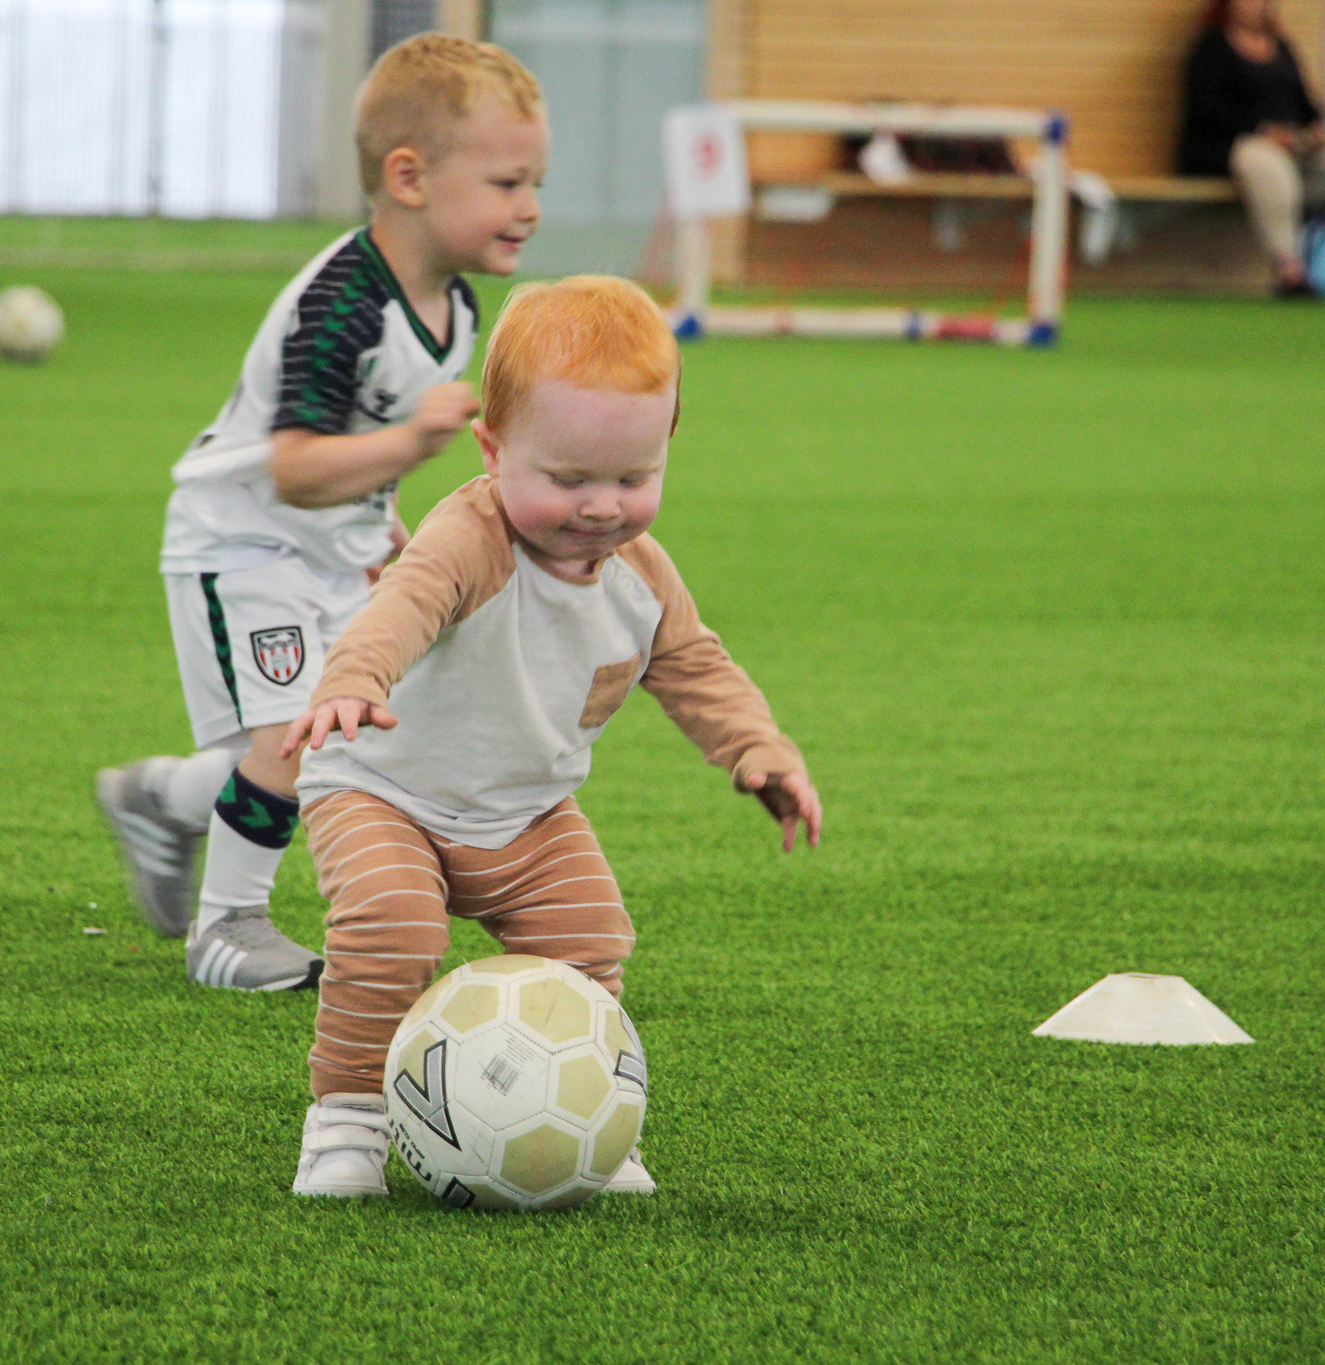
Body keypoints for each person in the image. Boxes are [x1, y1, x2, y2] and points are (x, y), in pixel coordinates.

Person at [278, 277, 824, 1198]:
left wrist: (759, 751)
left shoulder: (641, 575)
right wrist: (355, 681)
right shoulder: (470, 538)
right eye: (568, 480)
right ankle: (348, 1117)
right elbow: (403, 606)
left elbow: (694, 665)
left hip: (526, 812)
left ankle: (590, 1118)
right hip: (383, 790)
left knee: (589, 934)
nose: (601, 506)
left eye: (633, 478)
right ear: (494, 450)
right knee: (392, 924)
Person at [94, 35, 547, 994]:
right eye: (508, 183)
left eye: (534, 183)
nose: (531, 207)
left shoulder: (456, 307)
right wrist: (412, 444)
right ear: (409, 178)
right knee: (297, 737)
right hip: (243, 538)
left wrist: (385, 532)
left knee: (329, 740)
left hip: (325, 546)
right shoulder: (343, 304)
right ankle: (227, 929)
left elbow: (355, 452)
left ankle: (158, 799)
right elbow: (297, 467)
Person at [1177, 0, 1325, 296]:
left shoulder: (1281, 46)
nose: (1256, 5)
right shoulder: (1211, 48)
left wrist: (1314, 130)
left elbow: (1305, 106)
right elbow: (1207, 111)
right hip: (1226, 148)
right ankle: (1289, 266)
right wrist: (1263, 132)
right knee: (1265, 162)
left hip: (1288, 147)